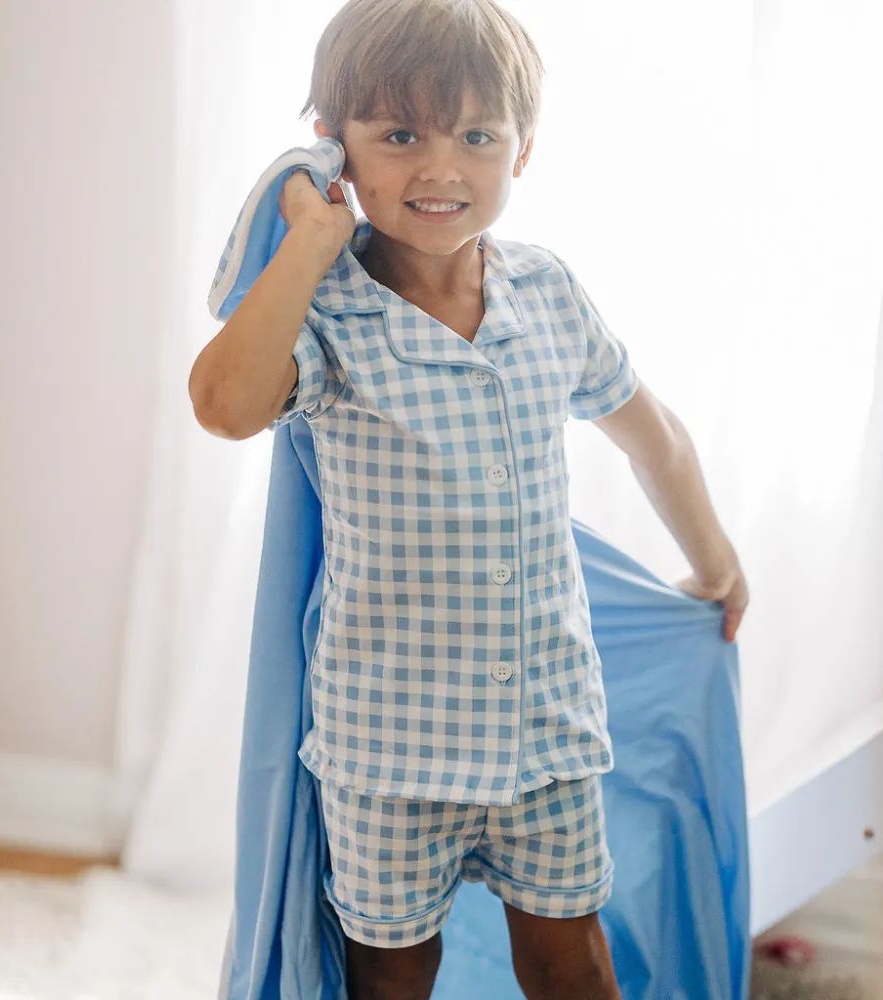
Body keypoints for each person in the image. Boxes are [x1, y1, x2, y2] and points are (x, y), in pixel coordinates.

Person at [189, 1, 749, 997]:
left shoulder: (547, 296)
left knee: (569, 958)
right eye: (398, 135)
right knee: (394, 969)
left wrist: (714, 563)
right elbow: (225, 405)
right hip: (386, 746)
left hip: (545, 730)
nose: (439, 169)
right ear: (335, 146)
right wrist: (309, 245)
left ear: (522, 151)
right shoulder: (328, 318)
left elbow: (651, 435)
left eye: (476, 136)